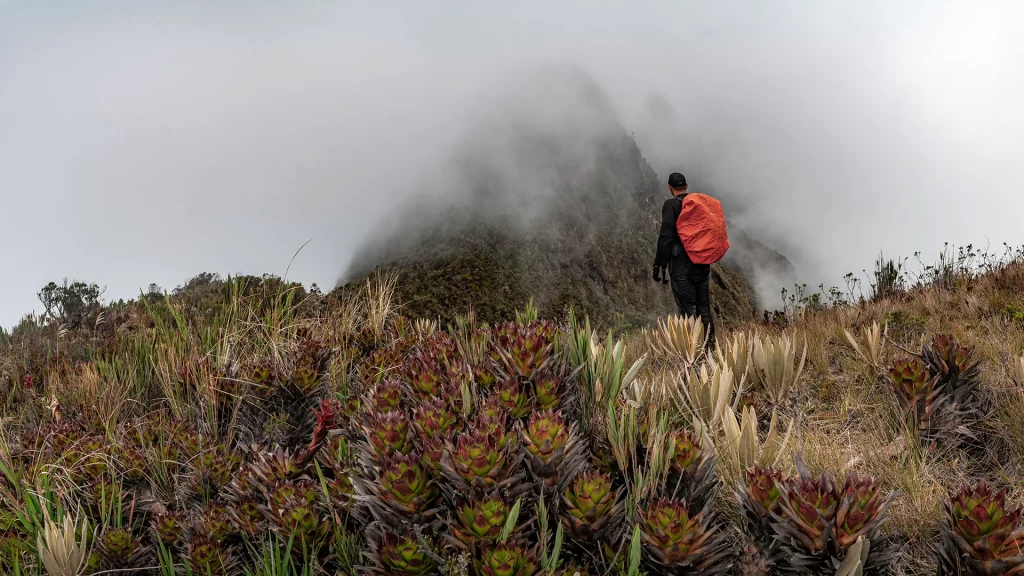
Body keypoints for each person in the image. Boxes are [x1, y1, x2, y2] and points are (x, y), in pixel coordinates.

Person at [652, 172, 715, 345]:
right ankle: (710, 347)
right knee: (703, 308)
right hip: (702, 262)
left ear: (669, 187)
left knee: (688, 311)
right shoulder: (698, 205)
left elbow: (666, 237)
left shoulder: (671, 205)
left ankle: (692, 353)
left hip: (681, 264)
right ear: (686, 186)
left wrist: (659, 265)